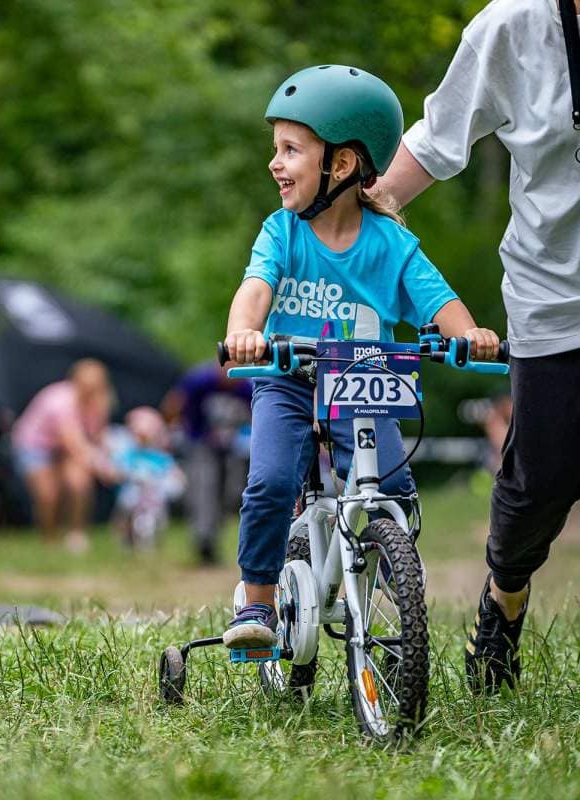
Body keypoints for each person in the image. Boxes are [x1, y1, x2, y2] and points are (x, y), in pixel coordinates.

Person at [221, 64, 501, 651]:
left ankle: (393, 588)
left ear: (342, 163)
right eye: (276, 149)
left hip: (363, 379)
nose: (275, 163)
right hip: (287, 377)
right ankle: (257, 601)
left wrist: (471, 334)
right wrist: (245, 332)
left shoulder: (390, 243)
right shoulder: (282, 232)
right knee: (271, 482)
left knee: (393, 488)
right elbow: (255, 288)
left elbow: (438, 301)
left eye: (291, 150)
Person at [374, 0, 580, 693]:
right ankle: (504, 600)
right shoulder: (512, 26)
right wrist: (339, 226)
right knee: (539, 484)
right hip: (556, 298)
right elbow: (435, 141)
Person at [11, 359, 116, 553]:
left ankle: (77, 534)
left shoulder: (101, 401)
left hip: (66, 446)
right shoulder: (59, 401)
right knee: (48, 493)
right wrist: (104, 468)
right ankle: (49, 538)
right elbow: (75, 444)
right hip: (34, 444)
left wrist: (110, 457)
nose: (91, 391)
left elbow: (98, 437)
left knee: (79, 482)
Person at [161, 362, 252, 564]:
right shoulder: (200, 381)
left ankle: (212, 537)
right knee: (205, 485)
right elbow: (174, 403)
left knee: (229, 491)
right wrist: (168, 431)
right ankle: (203, 540)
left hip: (230, 446)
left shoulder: (244, 386)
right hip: (200, 442)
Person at [110, 406, 185, 549]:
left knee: (157, 512)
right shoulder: (128, 455)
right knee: (127, 505)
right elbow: (117, 470)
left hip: (154, 496)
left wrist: (176, 479)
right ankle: (124, 533)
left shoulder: (160, 457)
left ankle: (154, 539)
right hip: (132, 494)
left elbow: (173, 472)